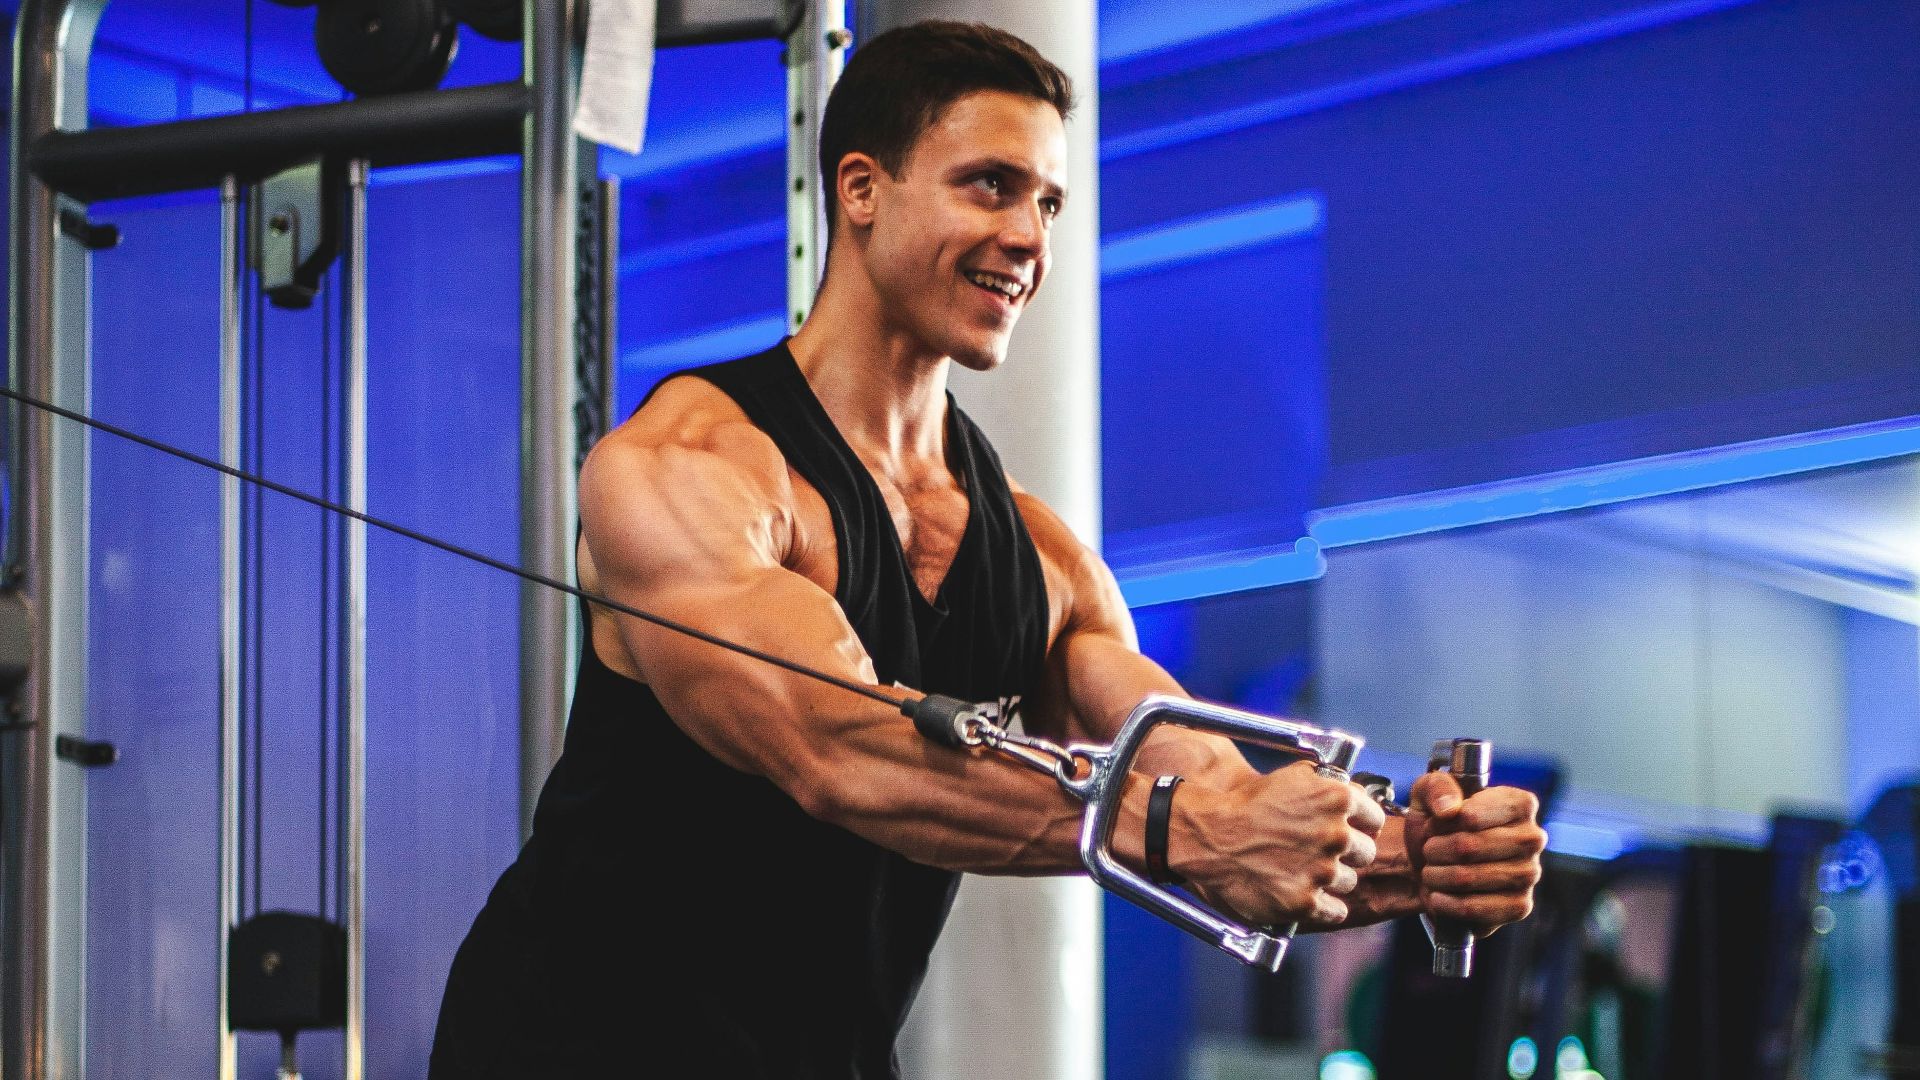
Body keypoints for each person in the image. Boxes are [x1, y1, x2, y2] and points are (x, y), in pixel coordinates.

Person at [430, 20, 1546, 1079]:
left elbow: (1189, 775)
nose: (1030, 238)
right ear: (861, 190)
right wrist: (1200, 831)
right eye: (990, 186)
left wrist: (1396, 858)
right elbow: (840, 752)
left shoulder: (1041, 557)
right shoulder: (686, 465)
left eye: (1048, 202)